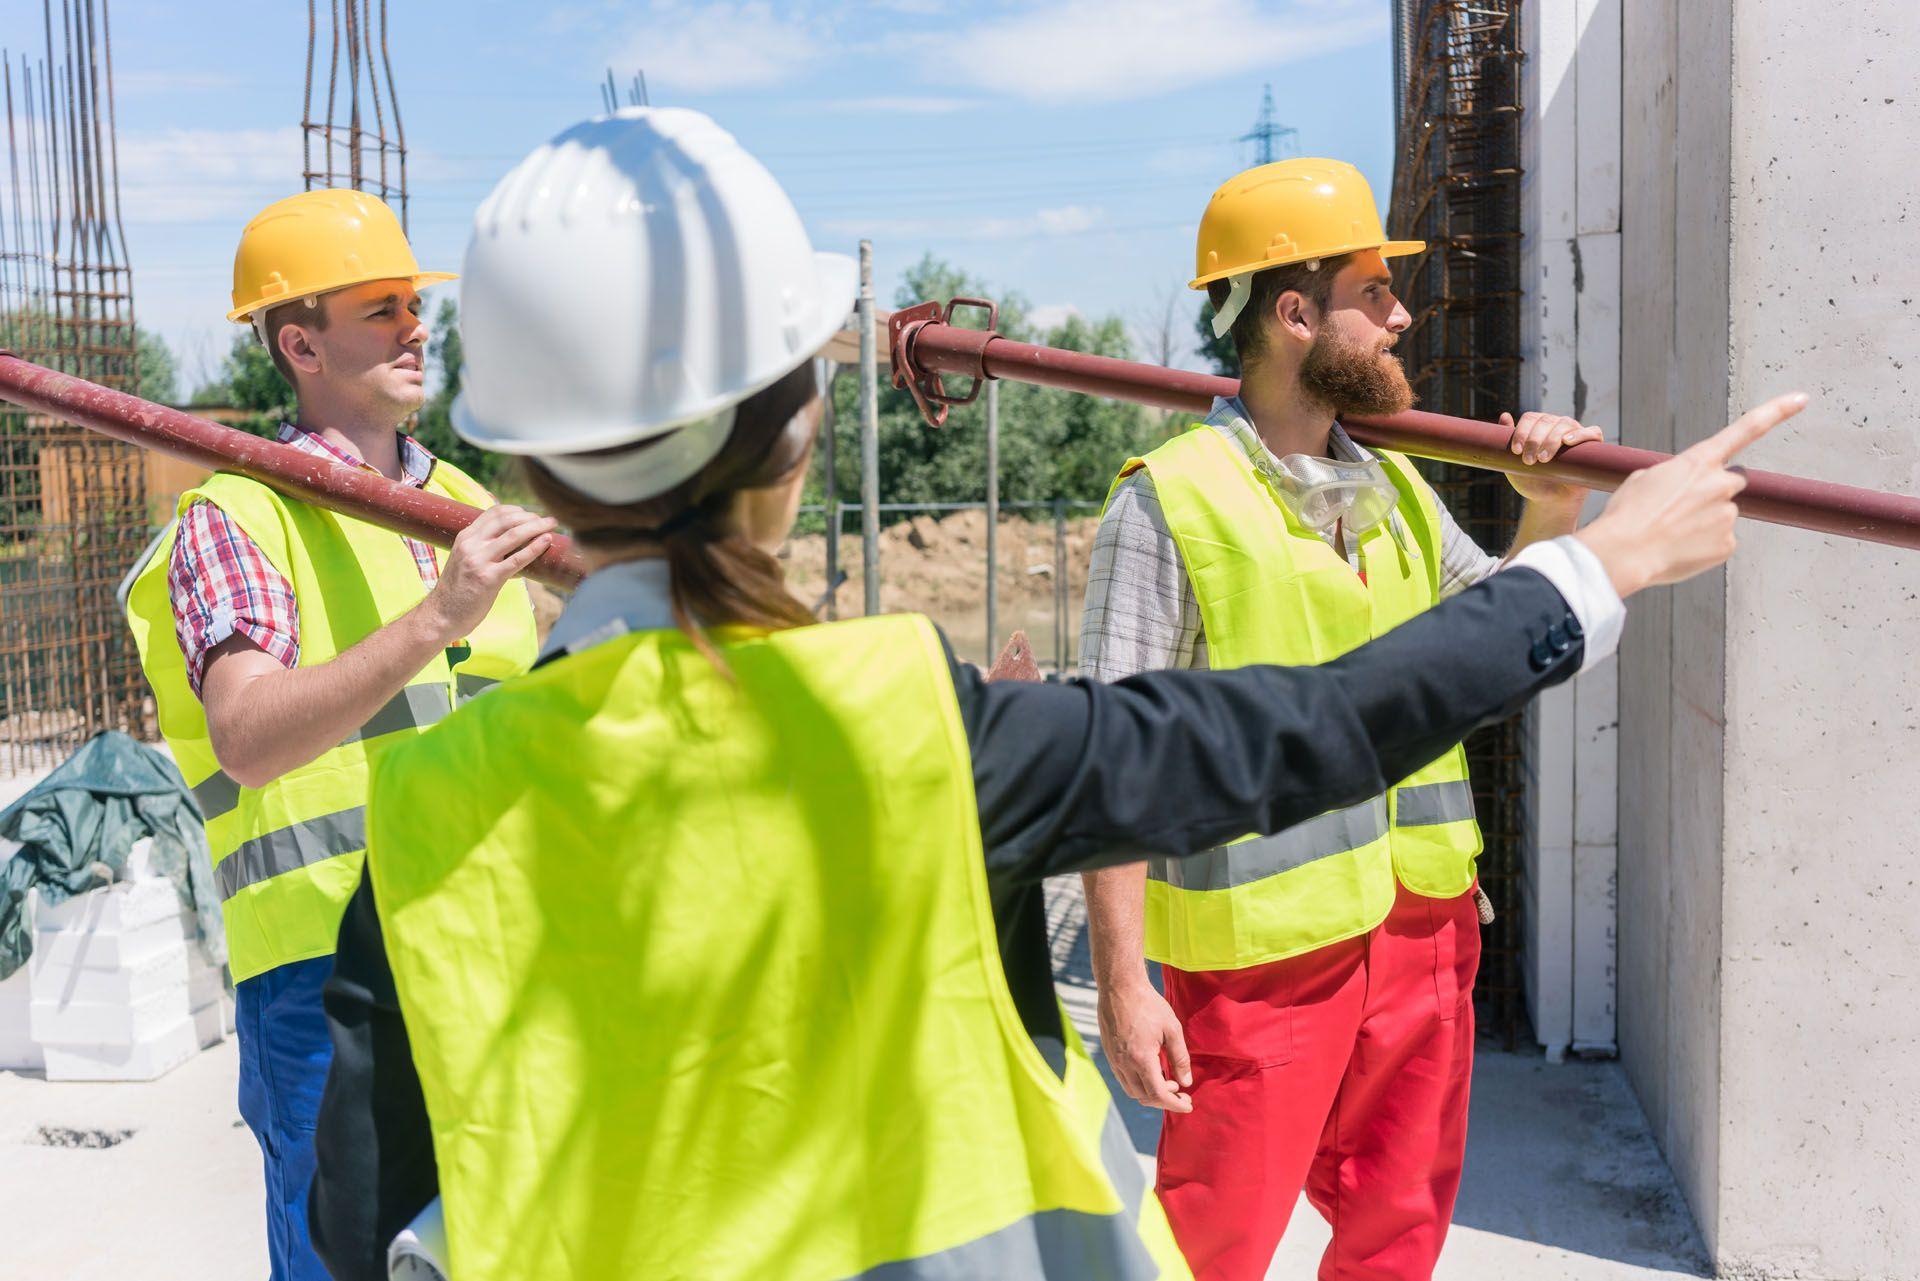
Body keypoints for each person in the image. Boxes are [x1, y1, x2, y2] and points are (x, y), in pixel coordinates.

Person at [304, 110, 1803, 1281]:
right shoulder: (908, 722)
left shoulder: (430, 810)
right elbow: (1306, 728)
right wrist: (1600, 568)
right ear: (797, 431)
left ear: (529, 462)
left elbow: (359, 1220)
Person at [1075, 156, 1623, 1281]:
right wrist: (1127, 986)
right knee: (1211, 1245)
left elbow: (1502, 645)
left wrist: (1555, 511)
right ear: (1294, 314)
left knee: (1398, 1235)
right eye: (1374, 291)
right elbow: (1111, 766)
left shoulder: (1400, 489)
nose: (1401, 315)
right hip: (1261, 964)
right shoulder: (1167, 506)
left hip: (1422, 932)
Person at [122, 189, 547, 1281]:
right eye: (380, 311)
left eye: (414, 305)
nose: (416, 328)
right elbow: (250, 736)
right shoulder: (240, 516)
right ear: (300, 343)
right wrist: (437, 616)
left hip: (489, 955)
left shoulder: (464, 505)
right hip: (322, 976)